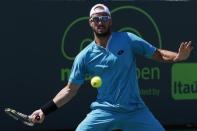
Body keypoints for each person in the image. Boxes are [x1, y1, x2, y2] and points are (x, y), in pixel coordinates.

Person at [30, 4, 193, 131]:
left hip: (135, 110)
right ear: (90, 22)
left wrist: (178, 57)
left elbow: (157, 53)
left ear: (110, 20)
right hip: (103, 112)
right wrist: (44, 111)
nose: (100, 21)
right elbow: (69, 90)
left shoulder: (127, 39)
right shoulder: (84, 56)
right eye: (96, 18)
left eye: (104, 17)